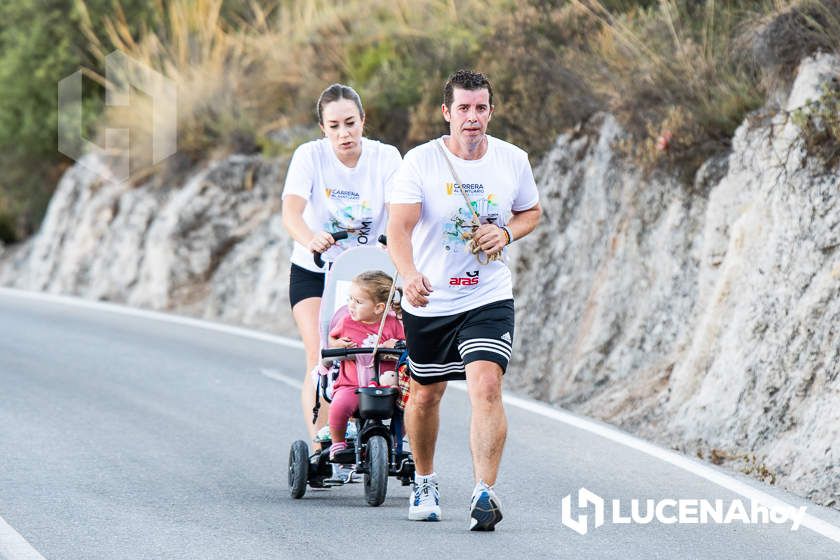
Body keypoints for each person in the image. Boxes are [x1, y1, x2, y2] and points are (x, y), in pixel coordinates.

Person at [387, 69, 542, 531]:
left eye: (480, 108)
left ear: (491, 112)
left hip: (487, 295)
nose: (472, 118)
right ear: (446, 113)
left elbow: (531, 210)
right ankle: (426, 480)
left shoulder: (513, 160)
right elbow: (399, 228)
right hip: (431, 299)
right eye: (463, 109)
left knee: (486, 385)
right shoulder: (420, 161)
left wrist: (507, 231)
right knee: (425, 396)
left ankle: (483, 493)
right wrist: (410, 275)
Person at [282, 84, 402, 441]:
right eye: (334, 126)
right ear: (323, 128)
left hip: (369, 273)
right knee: (323, 351)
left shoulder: (386, 157)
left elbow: (399, 213)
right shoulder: (309, 156)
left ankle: (383, 428)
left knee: (382, 351)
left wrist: (390, 244)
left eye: (350, 123)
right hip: (316, 269)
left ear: (363, 121)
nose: (343, 133)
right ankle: (322, 444)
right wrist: (310, 238)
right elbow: (291, 212)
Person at [326, 271, 405, 460]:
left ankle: (395, 441)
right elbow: (331, 340)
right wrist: (338, 345)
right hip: (352, 385)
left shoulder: (393, 324)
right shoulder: (346, 322)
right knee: (338, 406)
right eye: (349, 299)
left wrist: (394, 345)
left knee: (406, 410)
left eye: (358, 302)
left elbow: (405, 346)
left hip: (388, 386)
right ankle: (338, 444)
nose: (350, 305)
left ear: (379, 308)